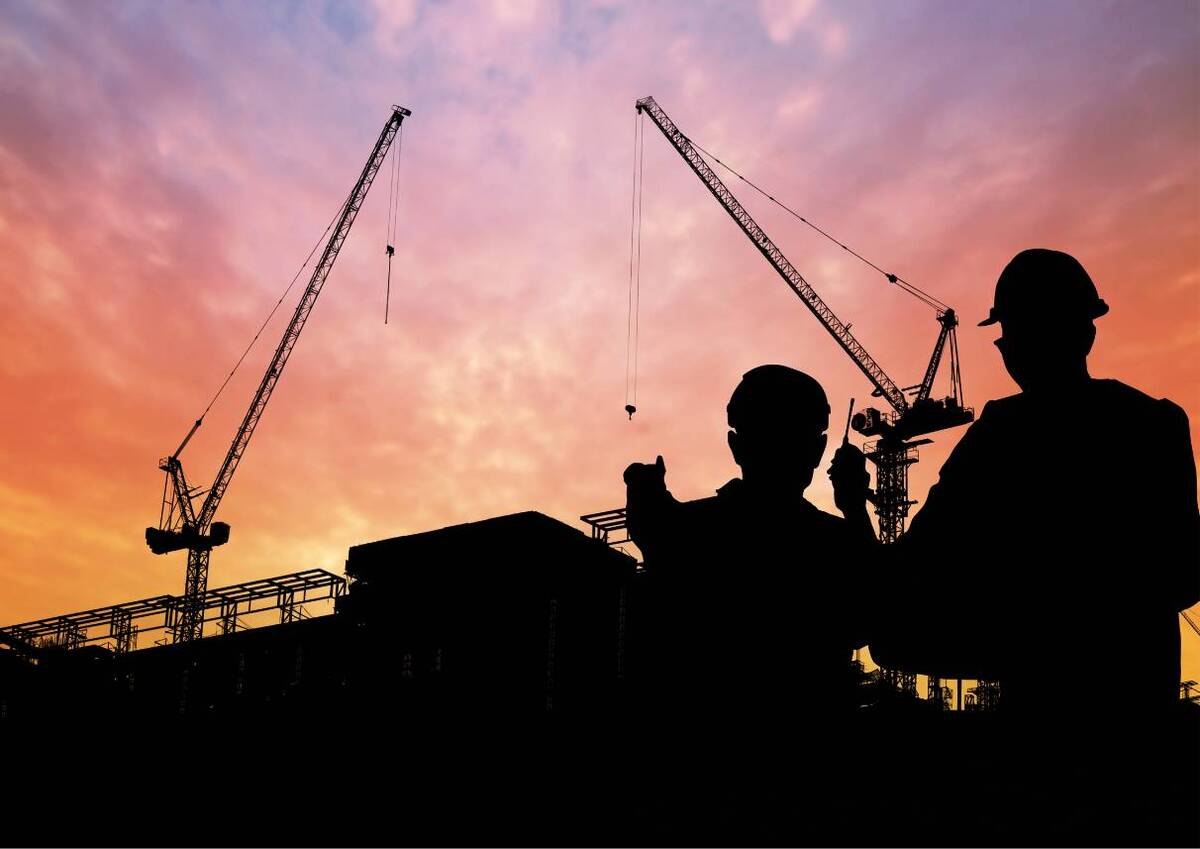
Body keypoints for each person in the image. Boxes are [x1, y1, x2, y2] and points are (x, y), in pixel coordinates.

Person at [830, 248, 1200, 715]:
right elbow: (1186, 575)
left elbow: (903, 574)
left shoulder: (1001, 434)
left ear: (1018, 342)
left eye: (1007, 334)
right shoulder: (1157, 423)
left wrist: (853, 508)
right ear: (1087, 330)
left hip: (1040, 715)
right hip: (1142, 717)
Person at [624, 364, 868, 725]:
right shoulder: (835, 542)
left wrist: (648, 500)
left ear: (736, 446)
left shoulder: (689, 530)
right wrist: (854, 508)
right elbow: (870, 620)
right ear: (817, 451)